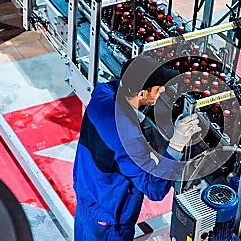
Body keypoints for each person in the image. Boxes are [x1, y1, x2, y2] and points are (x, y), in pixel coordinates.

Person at [73, 55, 201, 240]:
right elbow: (154, 189)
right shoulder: (128, 140)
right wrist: (176, 145)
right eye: (157, 89)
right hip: (109, 220)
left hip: (89, 195)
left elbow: (123, 88)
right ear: (141, 93)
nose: (163, 90)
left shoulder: (102, 93)